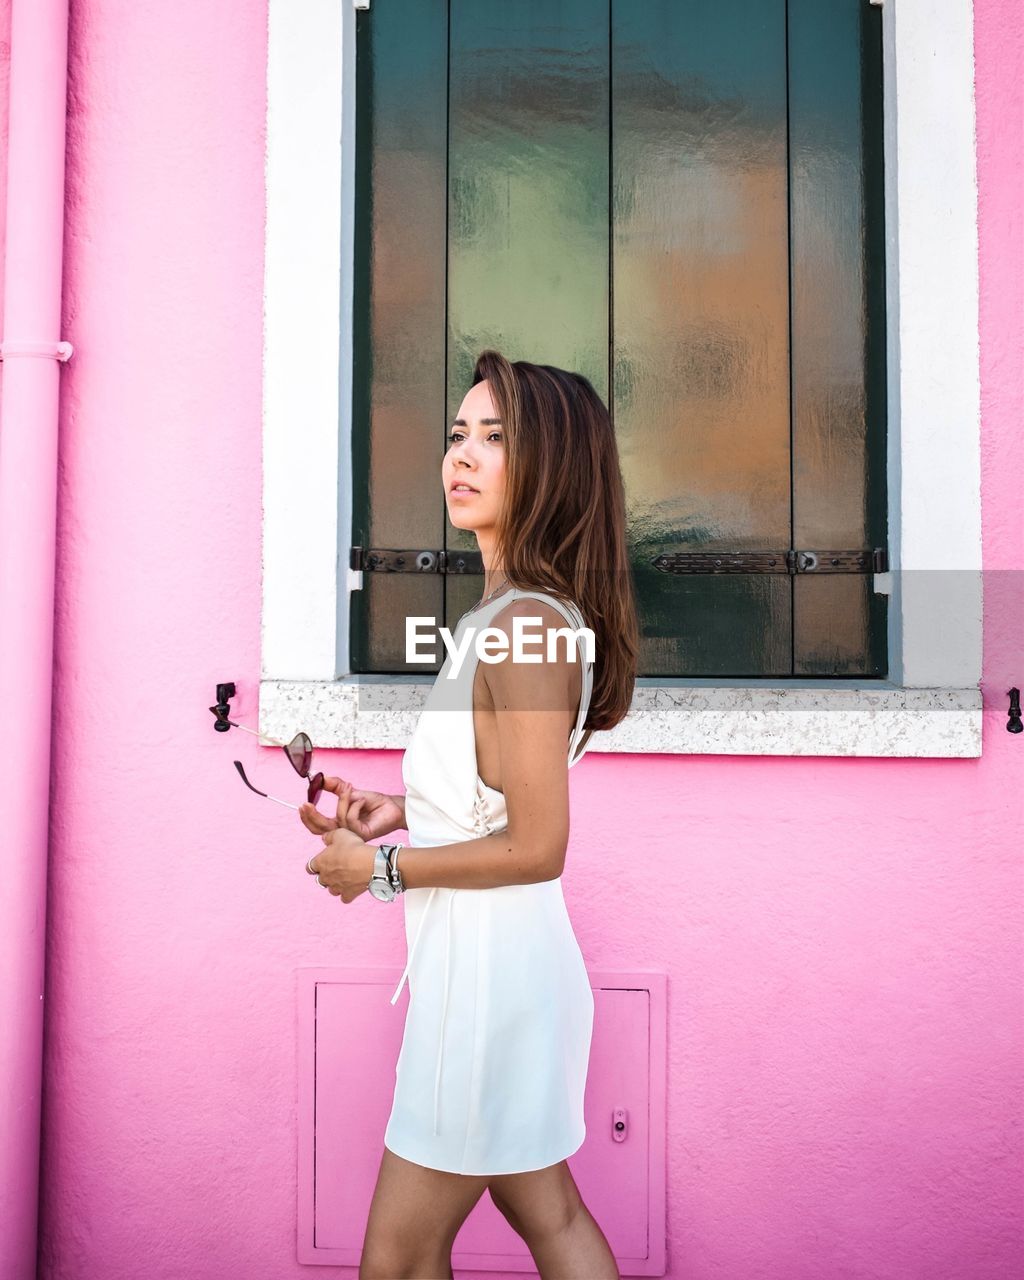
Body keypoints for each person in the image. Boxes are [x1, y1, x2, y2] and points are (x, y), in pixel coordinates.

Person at [301, 349, 639, 1279]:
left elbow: (538, 844)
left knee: (400, 1258)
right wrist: (398, 812)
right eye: (458, 433)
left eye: (495, 438)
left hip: (486, 982)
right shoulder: (507, 614)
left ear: (553, 468)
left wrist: (379, 872)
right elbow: (494, 800)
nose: (463, 454)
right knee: (552, 1215)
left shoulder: (524, 625)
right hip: (493, 967)